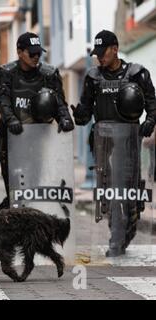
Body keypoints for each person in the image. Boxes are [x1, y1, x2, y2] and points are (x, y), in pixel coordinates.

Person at [72, 30, 156, 257]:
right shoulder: (92, 77)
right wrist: (78, 114)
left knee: (124, 191)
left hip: (128, 142)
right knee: (108, 192)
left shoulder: (137, 74)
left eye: (103, 52)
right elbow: (85, 111)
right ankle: (116, 234)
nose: (99, 57)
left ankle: (120, 235)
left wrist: (149, 120)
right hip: (103, 142)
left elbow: (152, 104)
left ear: (115, 48)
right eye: (97, 53)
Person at [0, 32, 74, 210]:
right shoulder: (6, 73)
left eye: (39, 53)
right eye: (32, 53)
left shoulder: (49, 74)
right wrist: (11, 119)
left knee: (36, 190)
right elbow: (2, 101)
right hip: (12, 142)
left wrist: (66, 119)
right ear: (19, 52)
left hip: (40, 142)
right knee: (16, 192)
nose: (36, 57)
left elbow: (59, 102)